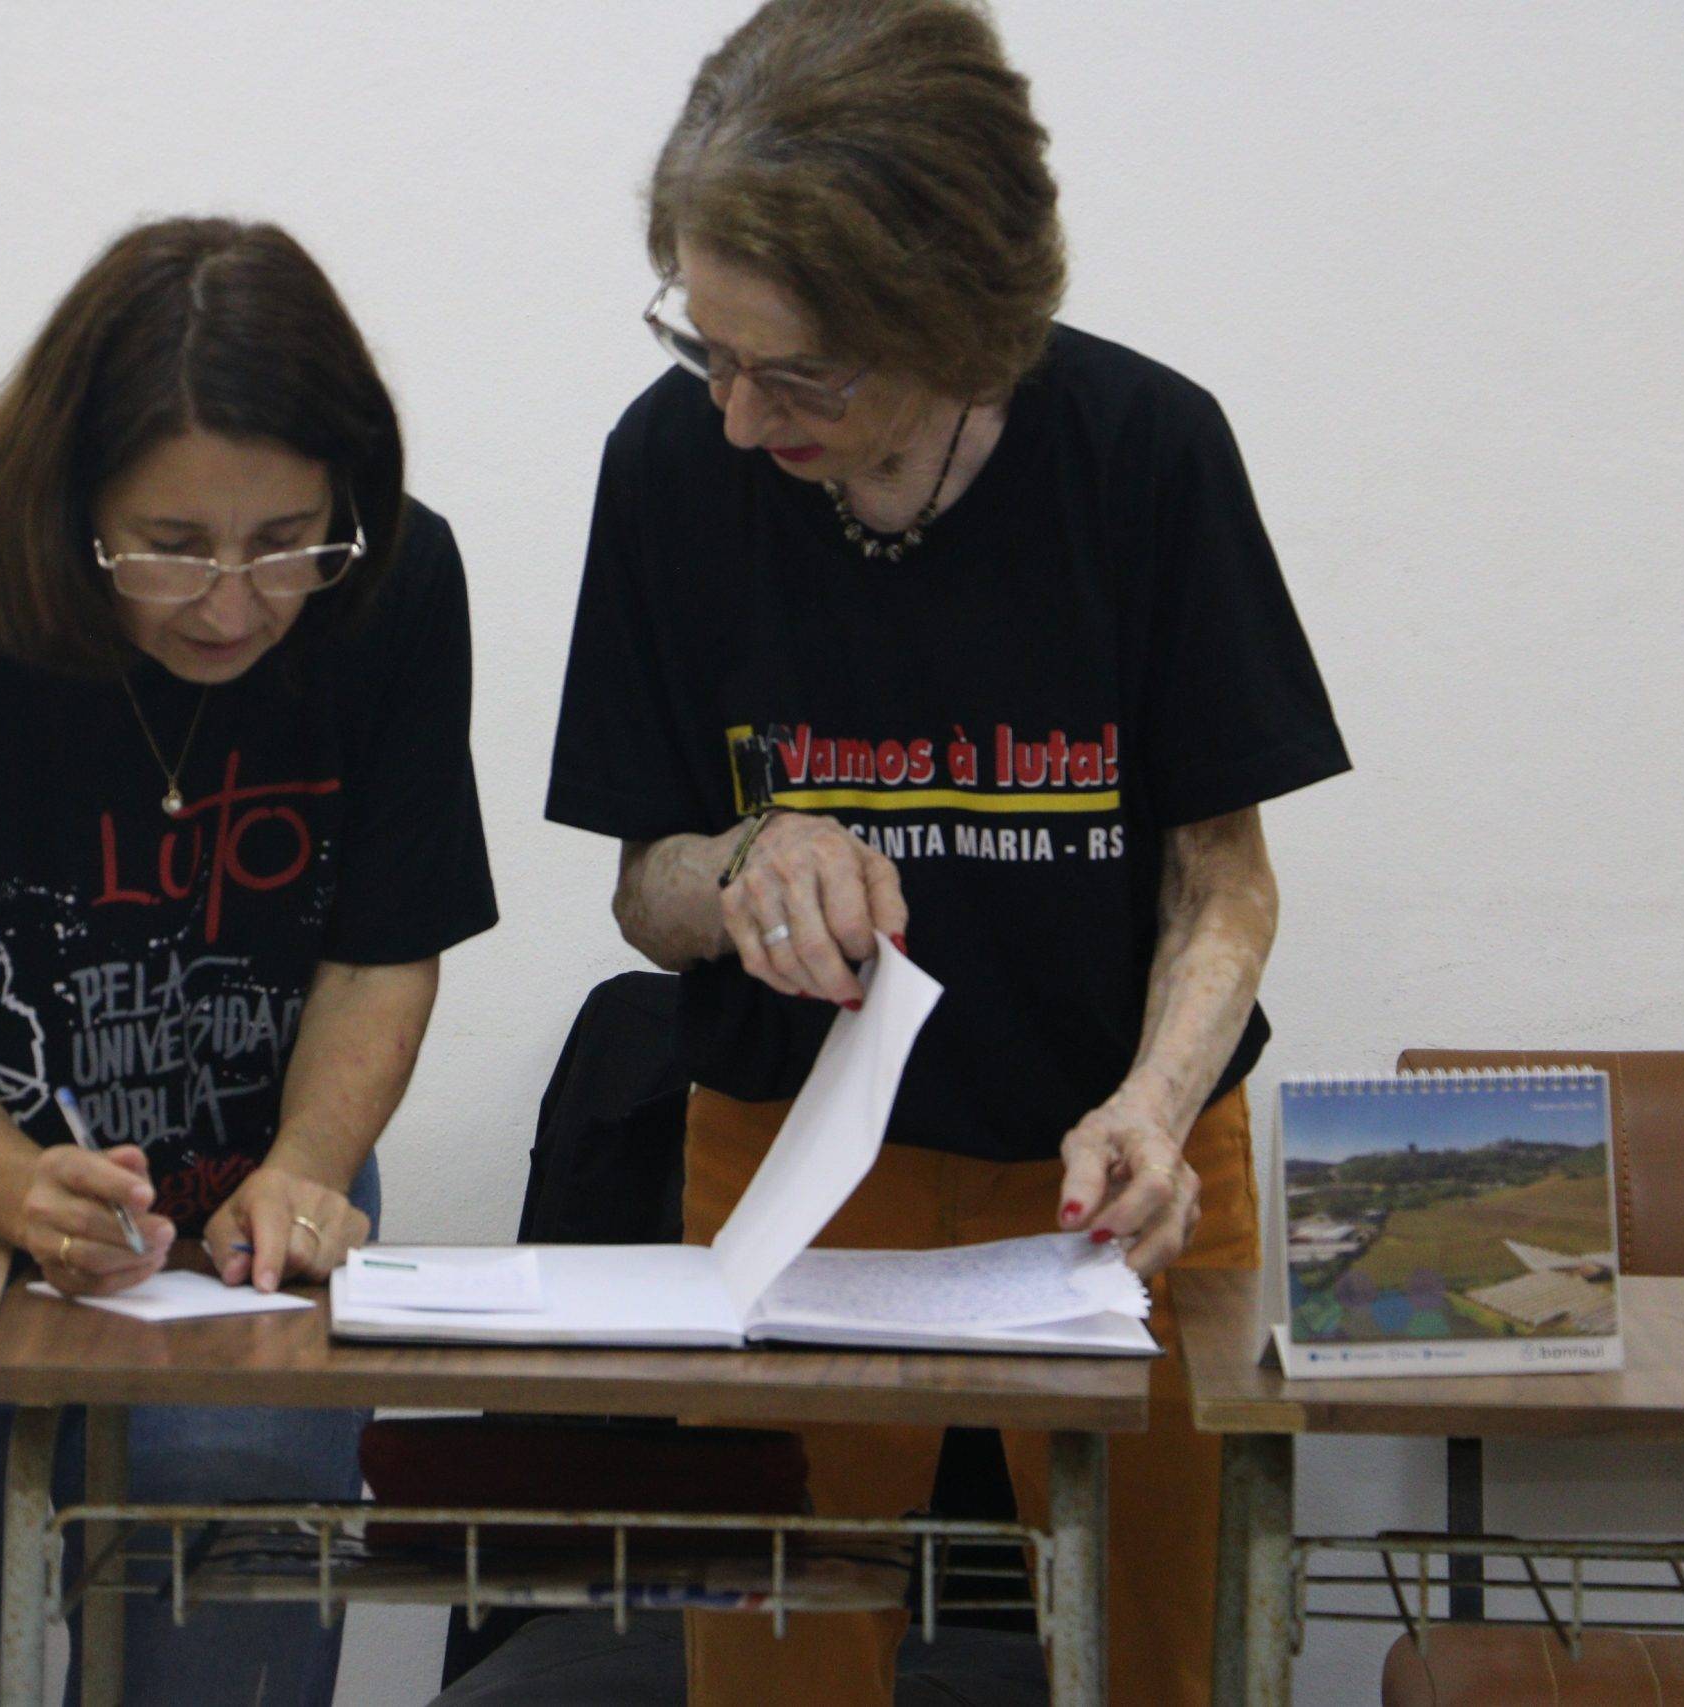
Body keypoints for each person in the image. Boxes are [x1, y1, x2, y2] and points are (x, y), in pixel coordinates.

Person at [545, 3, 1348, 1702]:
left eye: (799, 375)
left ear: (959, 317)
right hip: (794, 1162)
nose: (741, 415)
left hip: (1119, 1161)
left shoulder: (1143, 456)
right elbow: (642, 891)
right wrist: (743, 864)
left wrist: (1155, 1106)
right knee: (780, 1659)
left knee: (1165, 1649)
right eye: (707, 347)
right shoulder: (669, 465)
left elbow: (1223, 876)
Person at [0, 216, 497, 1706]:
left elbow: (380, 953)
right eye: (174, 547)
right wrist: (24, 1194)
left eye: (285, 542)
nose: (234, 604)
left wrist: (309, 1167)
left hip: (237, 1217)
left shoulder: (394, 584)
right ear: (69, 501)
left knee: (229, 1644)